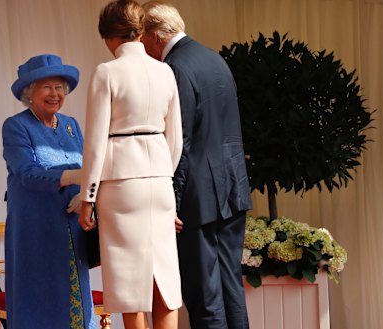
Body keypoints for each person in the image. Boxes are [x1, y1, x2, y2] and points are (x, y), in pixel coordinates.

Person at [141, 2, 253, 329]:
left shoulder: (175, 67)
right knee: (231, 284)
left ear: (156, 36)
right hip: (232, 187)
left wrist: (171, 202)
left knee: (203, 292)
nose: (144, 48)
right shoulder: (214, 58)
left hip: (198, 195)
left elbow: (182, 139)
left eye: (144, 40)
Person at [77, 1, 183, 329]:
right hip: (160, 184)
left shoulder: (106, 72)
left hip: (121, 186)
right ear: (139, 32)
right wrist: (165, 180)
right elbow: (175, 138)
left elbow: (95, 143)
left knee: (128, 283)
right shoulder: (164, 70)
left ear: (109, 37)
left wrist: (87, 198)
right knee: (163, 278)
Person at [2, 54, 96, 329]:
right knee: (38, 299)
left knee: (75, 297)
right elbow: (26, 173)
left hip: (72, 224)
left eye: (59, 87)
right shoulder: (16, 125)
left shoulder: (70, 125)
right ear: (30, 93)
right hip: (34, 227)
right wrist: (76, 176)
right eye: (47, 87)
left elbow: (88, 163)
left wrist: (86, 194)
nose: (55, 94)